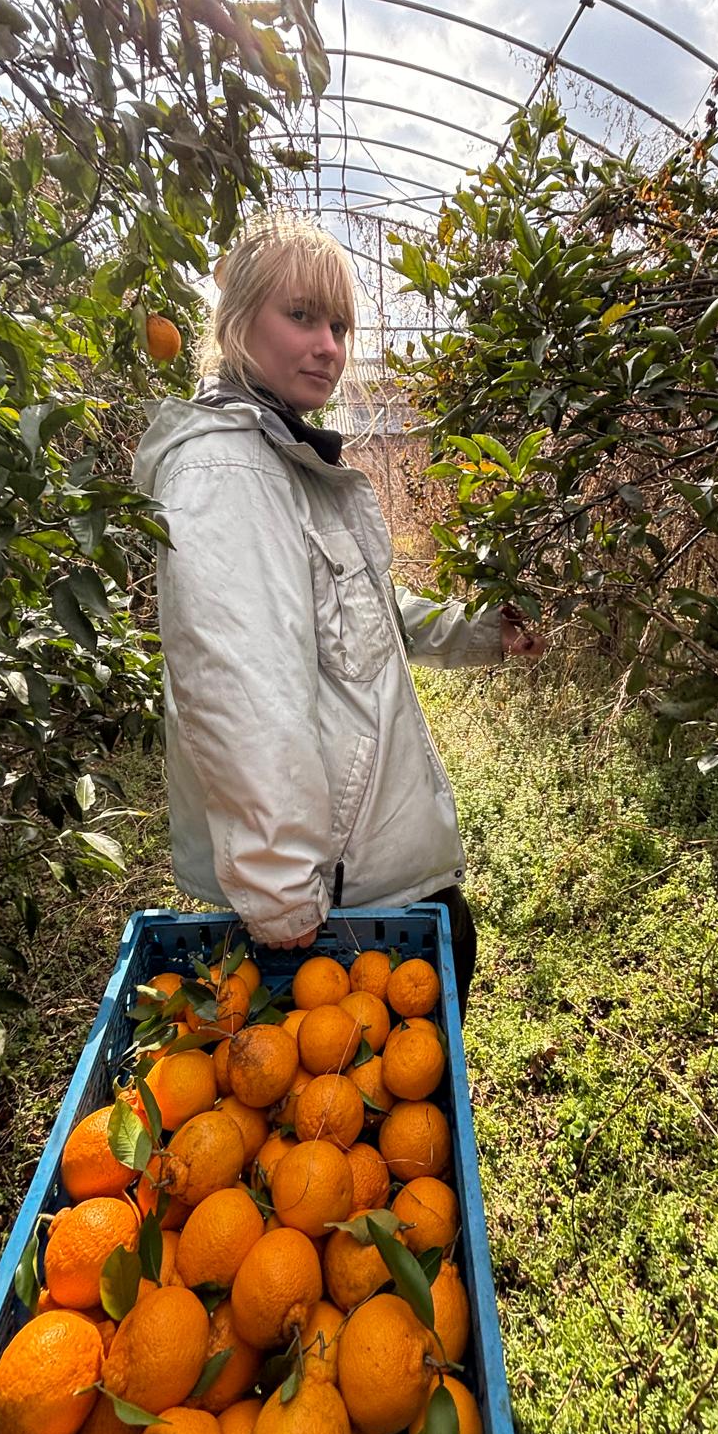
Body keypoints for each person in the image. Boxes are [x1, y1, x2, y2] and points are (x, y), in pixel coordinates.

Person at [132, 213, 545, 1017]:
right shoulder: (228, 473)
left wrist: (480, 630)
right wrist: (283, 893)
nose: (328, 345)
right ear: (238, 321)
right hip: (337, 901)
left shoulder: (287, 465)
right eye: (302, 316)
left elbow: (368, 616)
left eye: (340, 325)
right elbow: (240, 692)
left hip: (379, 870)